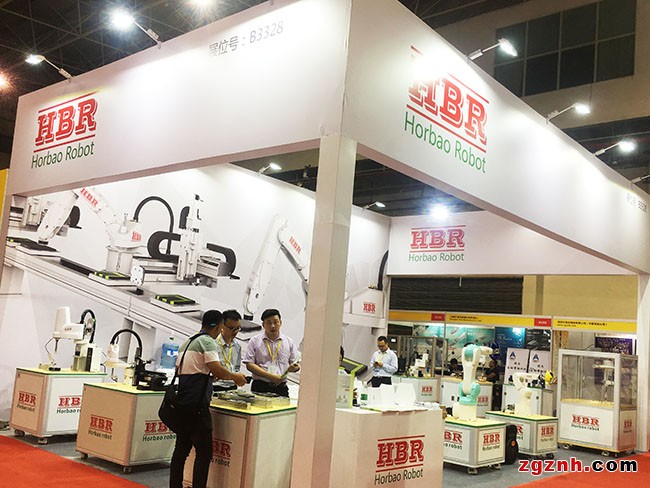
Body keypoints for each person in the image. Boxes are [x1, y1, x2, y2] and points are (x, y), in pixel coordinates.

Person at [169, 310, 247, 488]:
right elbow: (217, 368)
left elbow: (190, 371)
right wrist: (235, 377)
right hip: (197, 406)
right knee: (204, 453)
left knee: (181, 451)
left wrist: (210, 377)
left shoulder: (188, 342)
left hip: (183, 403)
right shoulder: (207, 342)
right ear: (219, 326)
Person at [242, 308, 300, 397]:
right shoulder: (254, 341)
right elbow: (249, 365)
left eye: (276, 322)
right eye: (269, 323)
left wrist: (295, 368)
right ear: (263, 325)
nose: (273, 326)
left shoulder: (288, 342)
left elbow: (295, 364)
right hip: (260, 386)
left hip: (281, 387)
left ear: (280, 323)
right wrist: (271, 376)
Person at [213, 309, 243, 393]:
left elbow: (236, 368)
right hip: (216, 386)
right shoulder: (213, 344)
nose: (235, 332)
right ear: (222, 325)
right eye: (232, 328)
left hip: (232, 387)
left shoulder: (237, 346)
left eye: (238, 328)